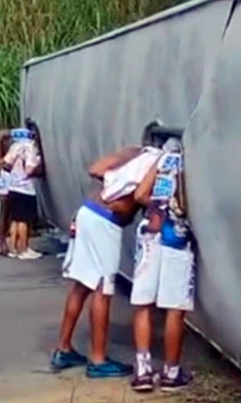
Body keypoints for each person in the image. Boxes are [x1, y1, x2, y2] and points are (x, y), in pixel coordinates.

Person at [50, 132, 163, 377]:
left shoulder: (132, 154)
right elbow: (140, 195)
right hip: (105, 222)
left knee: (81, 285)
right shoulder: (158, 162)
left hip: (88, 212)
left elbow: (96, 169)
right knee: (103, 289)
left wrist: (122, 165)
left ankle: (63, 348)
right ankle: (98, 360)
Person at [129, 137, 195, 392]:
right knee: (174, 307)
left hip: (149, 234)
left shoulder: (161, 162)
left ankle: (143, 371)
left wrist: (159, 206)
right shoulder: (188, 165)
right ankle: (171, 372)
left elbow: (139, 195)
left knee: (143, 303)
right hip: (175, 236)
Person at [2, 128, 42, 259]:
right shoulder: (29, 148)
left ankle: (13, 248)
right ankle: (24, 249)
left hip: (13, 187)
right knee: (24, 220)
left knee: (15, 219)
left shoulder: (14, 147)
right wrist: (38, 167)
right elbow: (29, 170)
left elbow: (6, 164)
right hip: (26, 188)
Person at [0, 129, 12, 256]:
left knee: (11, 212)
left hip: (15, 176)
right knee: (4, 209)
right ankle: (2, 242)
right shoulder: (4, 135)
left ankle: (10, 241)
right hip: (5, 177)